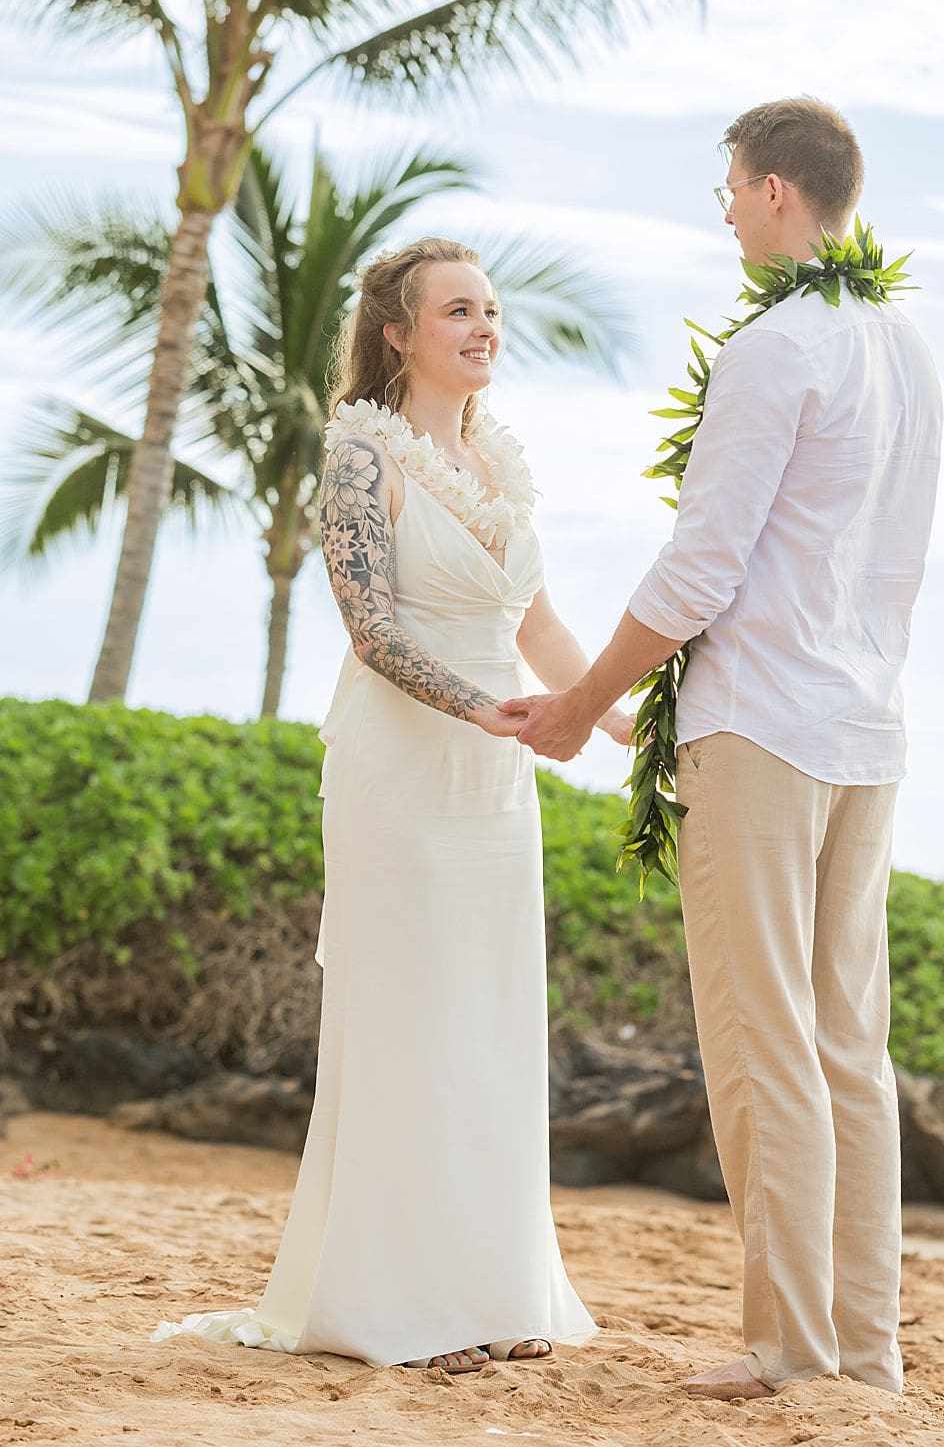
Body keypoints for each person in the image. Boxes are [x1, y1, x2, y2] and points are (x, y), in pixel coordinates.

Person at [505, 98, 943, 1401]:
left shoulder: (776, 346)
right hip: (868, 729)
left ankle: (792, 1347)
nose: (727, 217)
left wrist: (583, 702)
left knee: (766, 1041)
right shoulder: (907, 346)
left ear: (768, 194)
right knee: (847, 1045)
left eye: (727, 193)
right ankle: (864, 1352)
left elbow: (702, 565)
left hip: (760, 725)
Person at [153, 237, 630, 1372]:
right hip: (404, 768)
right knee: (410, 1015)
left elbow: (541, 627)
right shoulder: (361, 459)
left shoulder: (502, 469)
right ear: (398, 333)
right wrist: (488, 711)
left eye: (492, 310)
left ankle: (490, 1294)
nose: (483, 327)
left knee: (489, 1020)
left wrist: (610, 711)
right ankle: (400, 1307)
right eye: (457, 310)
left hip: (494, 780)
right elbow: (371, 631)